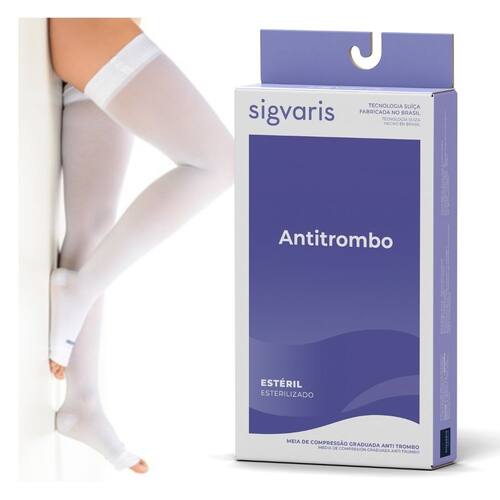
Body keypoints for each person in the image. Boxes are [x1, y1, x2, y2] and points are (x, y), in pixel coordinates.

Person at [47, 18, 234, 473]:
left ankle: (81, 403)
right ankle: (78, 288)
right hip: (91, 26)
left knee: (92, 225)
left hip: (95, 32)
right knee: (220, 162)